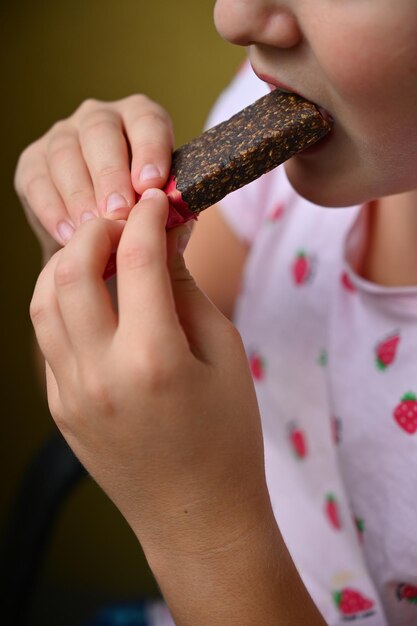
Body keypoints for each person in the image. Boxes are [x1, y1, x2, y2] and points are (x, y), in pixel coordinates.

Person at [14, 1, 417, 624]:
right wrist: (85, 259)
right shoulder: (299, 130)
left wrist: (202, 524)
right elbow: (116, 383)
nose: (232, 15)